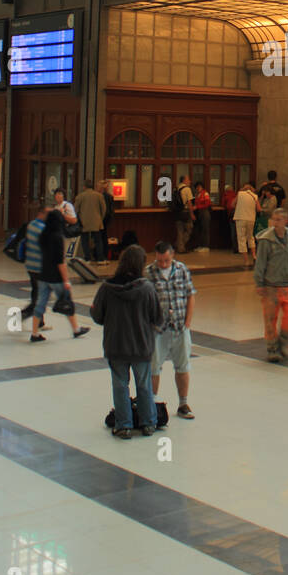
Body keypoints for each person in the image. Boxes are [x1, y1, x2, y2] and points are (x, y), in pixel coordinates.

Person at [91, 244, 161, 438]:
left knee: (120, 384)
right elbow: (157, 316)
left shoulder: (107, 288)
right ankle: (148, 423)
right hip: (141, 346)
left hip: (116, 345)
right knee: (144, 384)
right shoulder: (146, 288)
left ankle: (123, 425)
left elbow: (97, 316)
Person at [146, 240, 196, 419]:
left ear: (172, 255)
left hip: (179, 326)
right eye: (159, 261)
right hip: (158, 329)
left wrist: (187, 322)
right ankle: (152, 403)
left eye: (166, 261)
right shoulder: (149, 273)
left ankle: (183, 403)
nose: (162, 264)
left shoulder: (182, 270)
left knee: (183, 366)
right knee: (154, 367)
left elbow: (191, 295)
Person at [30, 209, 90, 342]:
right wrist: (66, 280)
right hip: (56, 277)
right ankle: (76, 329)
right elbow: (60, 261)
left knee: (40, 304)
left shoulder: (43, 235)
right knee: (67, 302)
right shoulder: (58, 237)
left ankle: (34, 333)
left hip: (43, 274)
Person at [254, 208, 288, 363]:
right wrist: (259, 282)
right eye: (273, 220)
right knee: (270, 318)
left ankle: (282, 342)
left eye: (278, 220)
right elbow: (260, 262)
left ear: (285, 221)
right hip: (270, 286)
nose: (275, 223)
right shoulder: (266, 240)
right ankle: (272, 348)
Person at [21, 202, 49, 326]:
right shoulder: (42, 229)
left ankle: (40, 322)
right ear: (41, 213)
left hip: (30, 264)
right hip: (39, 266)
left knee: (36, 292)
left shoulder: (31, 225)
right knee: (40, 296)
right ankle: (23, 314)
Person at [74, 179, 107, 262]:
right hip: (97, 222)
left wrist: (79, 219)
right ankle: (100, 258)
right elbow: (103, 209)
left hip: (84, 222)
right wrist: (100, 219)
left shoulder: (80, 196)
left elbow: (75, 209)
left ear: (84, 186)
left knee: (85, 240)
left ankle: (87, 258)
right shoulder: (99, 196)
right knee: (98, 240)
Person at [233, 181, 258, 267]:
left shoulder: (240, 193)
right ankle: (254, 256)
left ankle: (246, 260)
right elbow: (259, 208)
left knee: (241, 239)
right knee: (250, 237)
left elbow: (233, 204)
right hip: (251, 219)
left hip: (240, 218)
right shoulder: (255, 196)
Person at [173, 175, 194, 254]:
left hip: (177, 212)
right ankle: (179, 246)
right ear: (184, 180)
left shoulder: (177, 188)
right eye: (188, 179)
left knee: (180, 231)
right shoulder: (187, 189)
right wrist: (192, 214)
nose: (190, 181)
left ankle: (179, 247)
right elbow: (189, 202)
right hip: (185, 212)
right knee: (189, 229)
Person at [191, 182, 212, 253]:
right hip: (199, 213)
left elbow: (207, 204)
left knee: (205, 230)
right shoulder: (197, 194)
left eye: (199, 187)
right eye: (196, 187)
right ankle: (201, 246)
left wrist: (197, 207)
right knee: (200, 230)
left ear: (202, 187)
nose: (197, 188)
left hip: (205, 213)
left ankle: (206, 246)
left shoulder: (205, 194)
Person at [99, 179, 115, 260]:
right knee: (104, 236)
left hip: (101, 218)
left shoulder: (100, 196)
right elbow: (111, 209)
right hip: (107, 219)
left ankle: (101, 254)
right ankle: (105, 254)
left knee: (100, 237)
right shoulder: (110, 196)